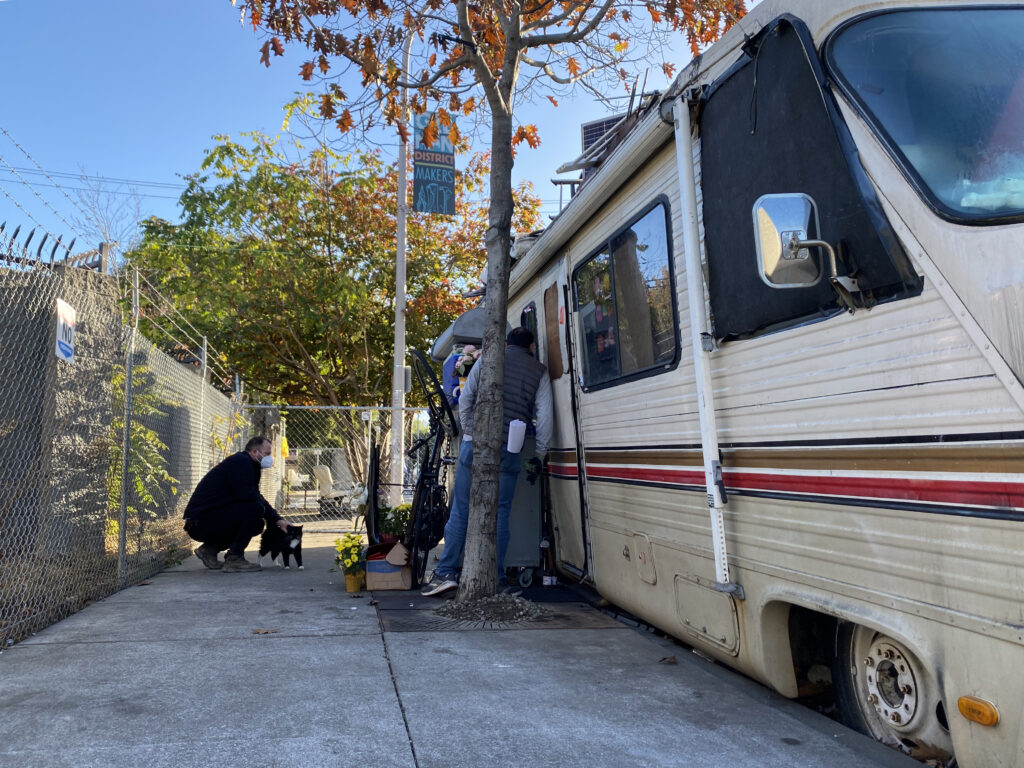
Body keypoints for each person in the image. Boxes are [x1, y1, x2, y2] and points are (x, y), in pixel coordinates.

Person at [421, 327, 552, 596]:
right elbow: (546, 418)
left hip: (475, 445)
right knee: (501, 512)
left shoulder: (488, 359)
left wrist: (471, 431)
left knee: (461, 509)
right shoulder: (539, 371)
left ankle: (446, 572)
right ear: (531, 347)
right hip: (510, 447)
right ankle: (498, 577)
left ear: (506, 344)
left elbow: (467, 397)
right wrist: (539, 454)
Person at [183, 435, 289, 573]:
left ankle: (209, 550)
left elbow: (255, 495)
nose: (269, 458)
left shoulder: (251, 465)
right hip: (199, 523)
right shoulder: (241, 462)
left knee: (257, 523)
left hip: (207, 518)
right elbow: (248, 496)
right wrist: (274, 518)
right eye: (267, 453)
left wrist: (278, 520)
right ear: (254, 452)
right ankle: (234, 558)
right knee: (255, 509)